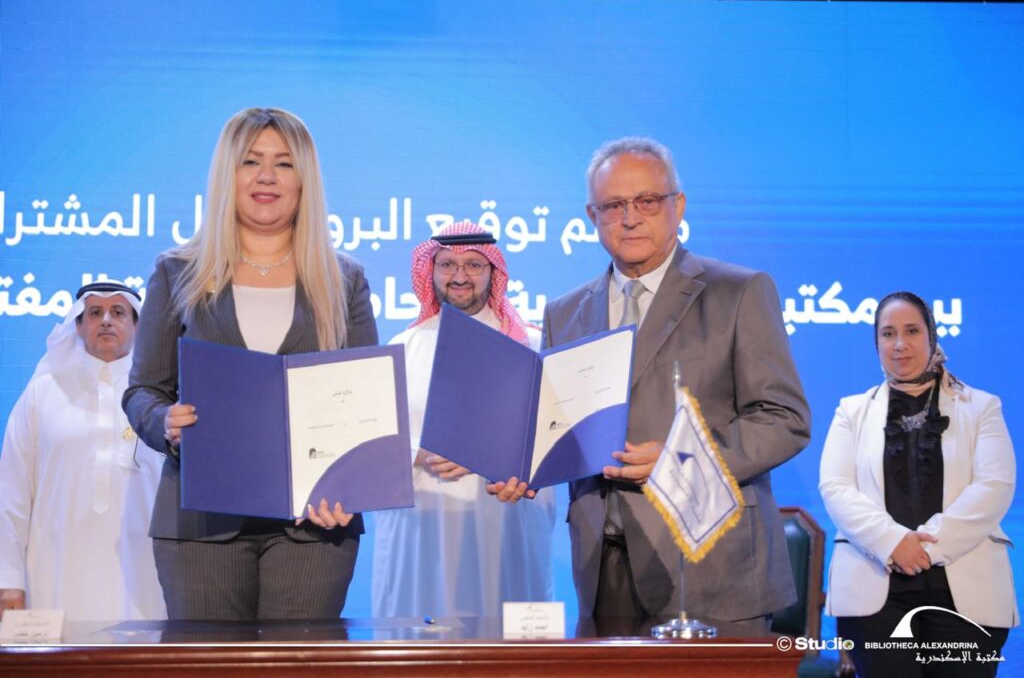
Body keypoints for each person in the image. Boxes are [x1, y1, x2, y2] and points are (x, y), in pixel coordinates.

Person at [490, 137, 810, 628]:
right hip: (602, 570)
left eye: (647, 201)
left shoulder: (739, 291)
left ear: (677, 206)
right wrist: (524, 467)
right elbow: (561, 429)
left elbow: (784, 419)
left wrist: (682, 456)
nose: (630, 218)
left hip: (711, 567)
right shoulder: (564, 313)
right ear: (592, 215)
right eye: (613, 205)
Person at [123, 108, 377, 620]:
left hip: (314, 524)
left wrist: (349, 487)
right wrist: (164, 421)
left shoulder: (343, 280)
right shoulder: (177, 272)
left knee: (300, 663)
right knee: (209, 663)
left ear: (304, 180)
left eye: (284, 164)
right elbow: (143, 390)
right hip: (199, 523)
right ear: (227, 174)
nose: (266, 177)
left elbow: (367, 400)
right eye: (251, 161)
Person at [819, 291, 1017, 676]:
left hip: (965, 591)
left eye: (911, 331)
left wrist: (925, 548)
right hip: (875, 593)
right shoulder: (851, 411)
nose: (899, 344)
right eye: (887, 333)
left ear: (931, 336)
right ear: (876, 343)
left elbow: (994, 486)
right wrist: (893, 542)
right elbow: (835, 486)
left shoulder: (981, 407)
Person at [371, 220, 555, 618]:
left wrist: (486, 451)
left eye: (473, 264)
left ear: (493, 271)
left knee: (501, 632)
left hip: (502, 522)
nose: (459, 276)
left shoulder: (529, 344)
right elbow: (376, 441)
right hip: (421, 526)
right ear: (431, 271)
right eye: (447, 265)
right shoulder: (404, 347)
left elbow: (550, 437)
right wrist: (420, 453)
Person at [0, 281, 165, 621]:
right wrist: (8, 579)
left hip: (145, 576)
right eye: (94, 313)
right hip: (54, 574)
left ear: (137, 326)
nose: (106, 320)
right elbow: (11, 494)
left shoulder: (160, 401)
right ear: (77, 325)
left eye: (118, 312)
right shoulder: (41, 395)